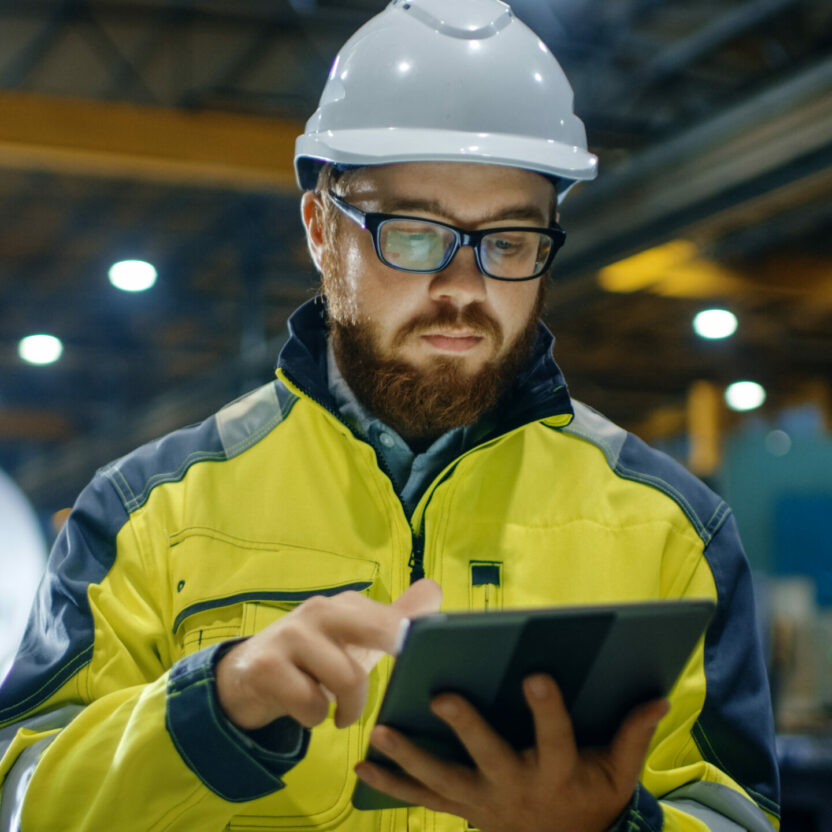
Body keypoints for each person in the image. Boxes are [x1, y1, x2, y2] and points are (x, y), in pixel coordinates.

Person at [0, 1, 779, 830]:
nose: (464, 287)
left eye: (510, 242)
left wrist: (608, 825)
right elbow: (23, 800)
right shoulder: (147, 513)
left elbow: (737, 812)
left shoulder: (671, 529)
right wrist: (212, 707)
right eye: (413, 234)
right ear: (319, 232)